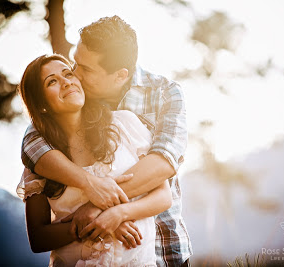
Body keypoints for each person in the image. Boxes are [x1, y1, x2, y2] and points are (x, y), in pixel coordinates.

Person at [21, 16, 192, 266]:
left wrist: (98, 207)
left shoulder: (164, 94)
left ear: (120, 75)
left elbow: (164, 163)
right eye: (75, 64)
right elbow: (32, 146)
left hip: (163, 248)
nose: (74, 76)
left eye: (84, 69)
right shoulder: (75, 98)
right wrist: (89, 185)